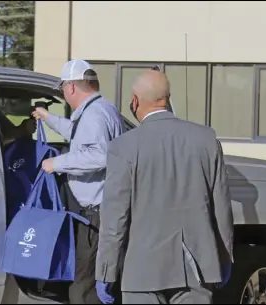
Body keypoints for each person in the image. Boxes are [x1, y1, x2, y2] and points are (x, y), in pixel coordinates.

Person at [95, 70, 234, 304]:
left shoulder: (123, 147)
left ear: (135, 101)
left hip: (142, 273)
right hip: (197, 270)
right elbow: (222, 206)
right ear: (167, 99)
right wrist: (225, 257)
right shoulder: (206, 140)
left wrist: (106, 272)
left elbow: (115, 219)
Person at [31, 59, 125, 304]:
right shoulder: (101, 109)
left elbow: (99, 155)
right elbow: (78, 133)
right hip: (99, 211)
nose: (63, 93)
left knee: (84, 286)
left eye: (62, 88)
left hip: (95, 214)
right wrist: (48, 117)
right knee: (89, 280)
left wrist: (56, 164)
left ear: (71, 87)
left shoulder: (94, 115)